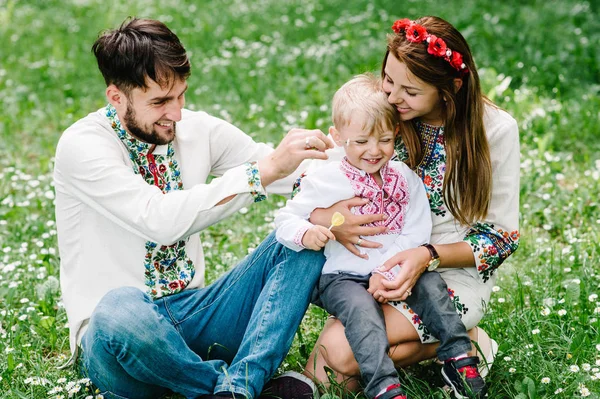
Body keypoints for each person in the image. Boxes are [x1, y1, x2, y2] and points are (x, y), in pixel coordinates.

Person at [53, 17, 335, 399]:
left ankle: (239, 386)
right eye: (160, 102)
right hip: (118, 343)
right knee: (120, 308)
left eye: (181, 95)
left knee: (303, 241)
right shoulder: (82, 146)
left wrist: (356, 159)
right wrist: (261, 173)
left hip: (194, 315)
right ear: (116, 97)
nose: (177, 113)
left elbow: (285, 172)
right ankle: (224, 387)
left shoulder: (197, 130)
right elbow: (159, 219)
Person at [304, 16, 520, 399]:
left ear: (450, 88)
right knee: (327, 374)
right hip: (379, 266)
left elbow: (500, 238)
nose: (391, 97)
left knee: (338, 353)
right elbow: (325, 177)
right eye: (388, 80)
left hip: (448, 273)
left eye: (410, 90)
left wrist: (425, 256)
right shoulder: (391, 115)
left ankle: (460, 333)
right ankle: (458, 344)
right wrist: (328, 219)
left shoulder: (495, 131)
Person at [277, 73, 487, 399]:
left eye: (384, 140)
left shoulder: (404, 177)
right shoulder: (325, 178)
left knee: (432, 286)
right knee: (364, 317)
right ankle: (384, 387)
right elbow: (286, 218)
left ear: (396, 134)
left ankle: (459, 356)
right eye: (361, 141)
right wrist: (307, 232)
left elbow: (416, 229)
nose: (374, 151)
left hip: (394, 269)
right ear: (338, 136)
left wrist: (387, 270)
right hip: (342, 277)